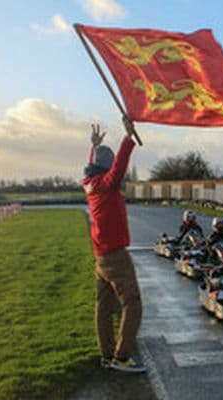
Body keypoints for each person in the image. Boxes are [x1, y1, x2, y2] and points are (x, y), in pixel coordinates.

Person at [83, 117, 145, 373]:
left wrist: (94, 147)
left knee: (104, 308)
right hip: (115, 255)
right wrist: (128, 137)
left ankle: (107, 355)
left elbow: (97, 167)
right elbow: (118, 169)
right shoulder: (106, 186)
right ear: (105, 170)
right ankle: (121, 357)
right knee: (133, 303)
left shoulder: (90, 183)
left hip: (101, 256)